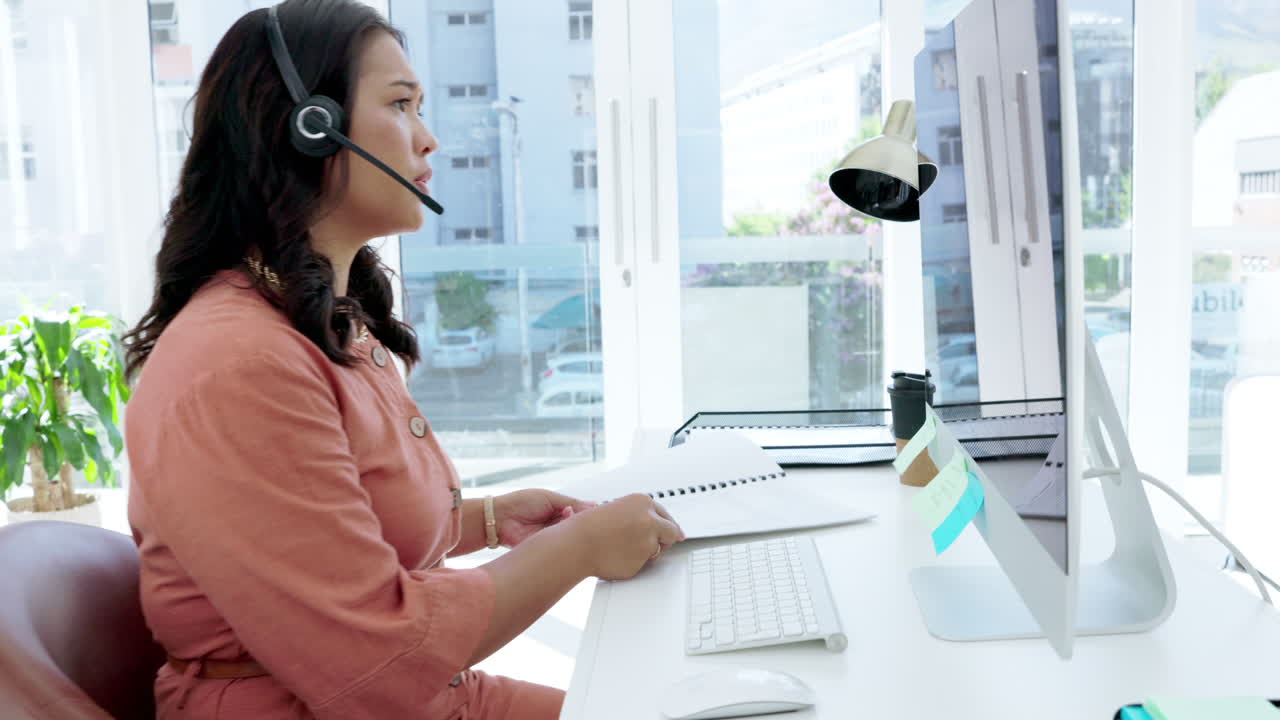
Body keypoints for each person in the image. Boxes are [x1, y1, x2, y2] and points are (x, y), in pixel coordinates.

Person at [121, 2, 684, 718]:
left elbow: (337, 532)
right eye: (401, 105)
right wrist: (579, 549)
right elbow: (374, 660)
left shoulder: (313, 321)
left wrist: (486, 520)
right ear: (310, 129)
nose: (430, 140)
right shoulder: (239, 363)